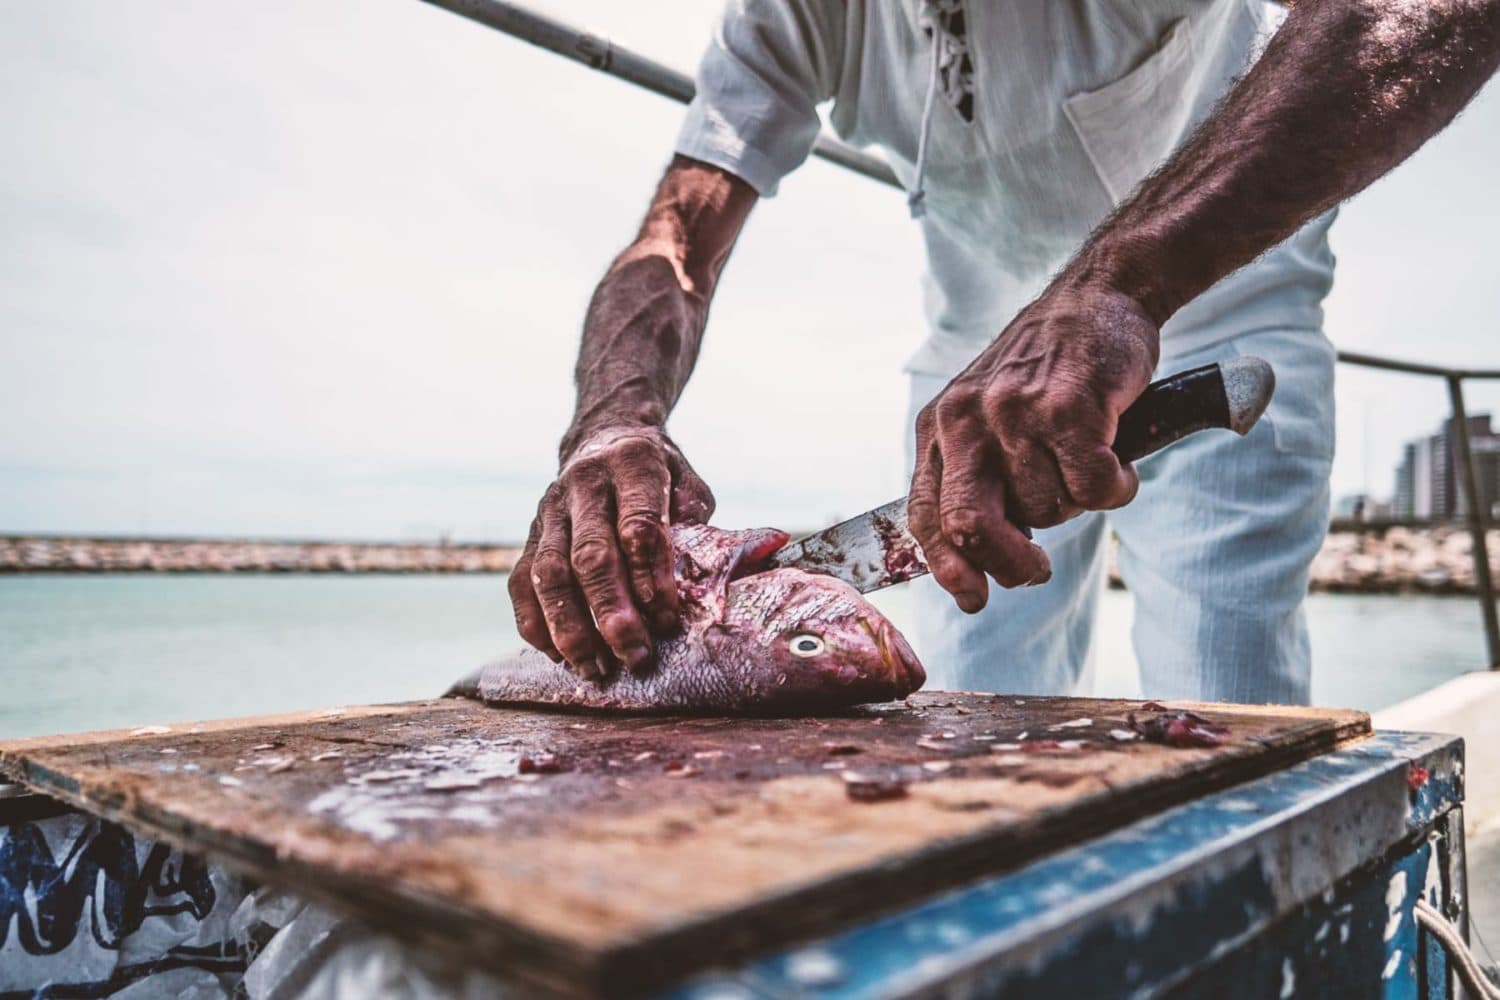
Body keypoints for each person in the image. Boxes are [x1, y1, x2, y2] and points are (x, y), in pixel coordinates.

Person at [508, 0, 1500, 704]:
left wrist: (1119, 281)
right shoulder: (783, 12)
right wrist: (610, 420)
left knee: (1226, 709)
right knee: (977, 713)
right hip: (967, 395)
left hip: (1217, 329)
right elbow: (675, 238)